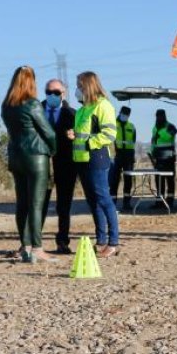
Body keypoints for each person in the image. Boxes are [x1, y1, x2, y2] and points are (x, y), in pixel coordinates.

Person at [1, 66, 57, 263]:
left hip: (16, 157)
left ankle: (25, 247)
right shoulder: (32, 104)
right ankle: (37, 249)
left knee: (22, 203)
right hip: (36, 157)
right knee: (36, 204)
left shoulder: (6, 105)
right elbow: (48, 132)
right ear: (31, 81)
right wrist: (53, 149)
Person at [69, 71, 121, 258]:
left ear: (89, 86)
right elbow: (83, 133)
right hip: (81, 160)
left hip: (97, 158)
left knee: (104, 199)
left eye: (80, 86)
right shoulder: (83, 109)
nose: (77, 90)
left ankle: (114, 242)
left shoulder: (103, 106)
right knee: (93, 202)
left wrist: (87, 142)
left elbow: (109, 134)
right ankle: (100, 240)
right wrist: (74, 135)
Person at [41, 79, 78, 254]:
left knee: (64, 206)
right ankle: (32, 242)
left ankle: (62, 241)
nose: (52, 96)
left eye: (56, 92)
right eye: (49, 92)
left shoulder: (73, 114)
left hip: (66, 165)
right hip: (42, 165)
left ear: (63, 93)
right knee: (38, 204)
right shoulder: (36, 111)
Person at [110, 105, 137, 211]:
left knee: (128, 180)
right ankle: (112, 203)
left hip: (129, 156)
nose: (125, 116)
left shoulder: (131, 126)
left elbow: (133, 141)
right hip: (117, 155)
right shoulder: (113, 125)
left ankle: (127, 202)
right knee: (114, 180)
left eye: (127, 115)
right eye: (124, 114)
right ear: (120, 113)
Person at [150, 109, 177, 209]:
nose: (159, 118)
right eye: (157, 116)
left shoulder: (170, 126)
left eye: (160, 116)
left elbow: (173, 133)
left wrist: (161, 134)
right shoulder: (155, 128)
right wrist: (152, 152)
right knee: (159, 180)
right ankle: (159, 202)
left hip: (169, 157)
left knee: (170, 180)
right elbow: (153, 141)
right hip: (158, 157)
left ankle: (170, 202)